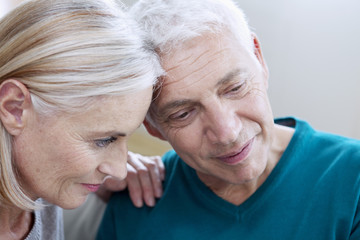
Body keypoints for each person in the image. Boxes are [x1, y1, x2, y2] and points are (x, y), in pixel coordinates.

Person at [97, 0, 360, 239]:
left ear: (259, 59)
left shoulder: (352, 178)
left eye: (234, 88)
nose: (227, 133)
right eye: (183, 114)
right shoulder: (136, 201)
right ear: (153, 127)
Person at [0, 0, 164, 239]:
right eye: (104, 140)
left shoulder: (38, 188)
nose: (119, 170)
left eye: (124, 137)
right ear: (14, 108)